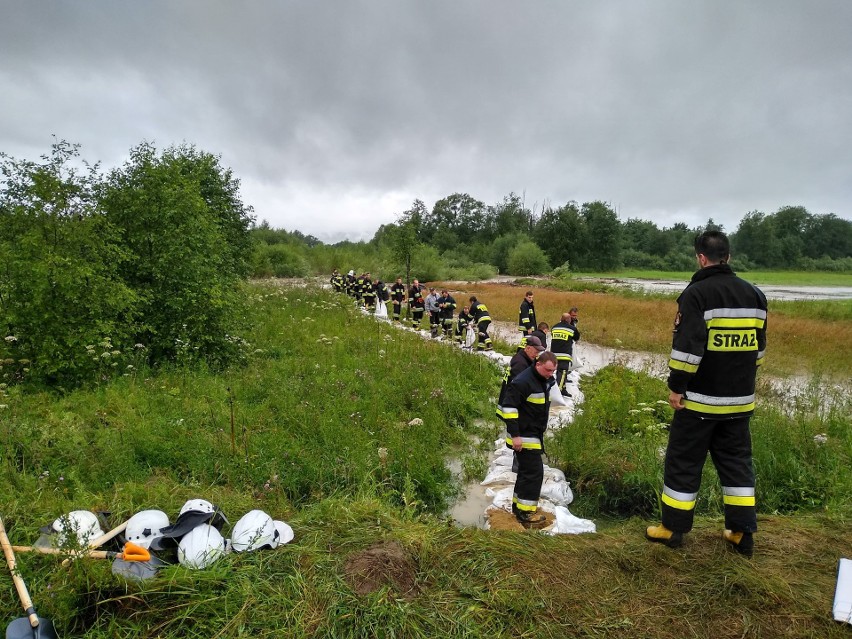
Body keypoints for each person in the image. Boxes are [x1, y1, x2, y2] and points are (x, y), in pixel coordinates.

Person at [646, 231, 767, 557]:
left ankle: (673, 529)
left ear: (701, 257)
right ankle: (741, 533)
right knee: (737, 465)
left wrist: (676, 388)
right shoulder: (755, 295)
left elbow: (688, 350)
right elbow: (758, 352)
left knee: (683, 463)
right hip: (740, 402)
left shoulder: (696, 294)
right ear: (727, 256)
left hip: (699, 401)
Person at [501, 351, 557, 527]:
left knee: (526, 472)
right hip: (524, 436)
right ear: (538, 364)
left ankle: (518, 507)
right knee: (533, 473)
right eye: (548, 370)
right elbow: (508, 408)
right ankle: (525, 513)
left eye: (553, 371)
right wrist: (516, 436)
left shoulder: (540, 379)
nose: (550, 374)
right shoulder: (523, 382)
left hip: (532, 433)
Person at [496, 336, 546, 422]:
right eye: (536, 352)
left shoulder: (525, 359)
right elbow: (519, 388)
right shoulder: (520, 363)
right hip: (512, 406)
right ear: (528, 348)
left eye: (538, 352)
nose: (537, 355)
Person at [550, 309, 580, 396]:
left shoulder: (554, 327)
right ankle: (558, 393)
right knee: (562, 373)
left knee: (556, 372)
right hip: (564, 354)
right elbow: (576, 338)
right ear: (569, 320)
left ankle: (562, 389)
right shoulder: (572, 329)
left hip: (554, 354)